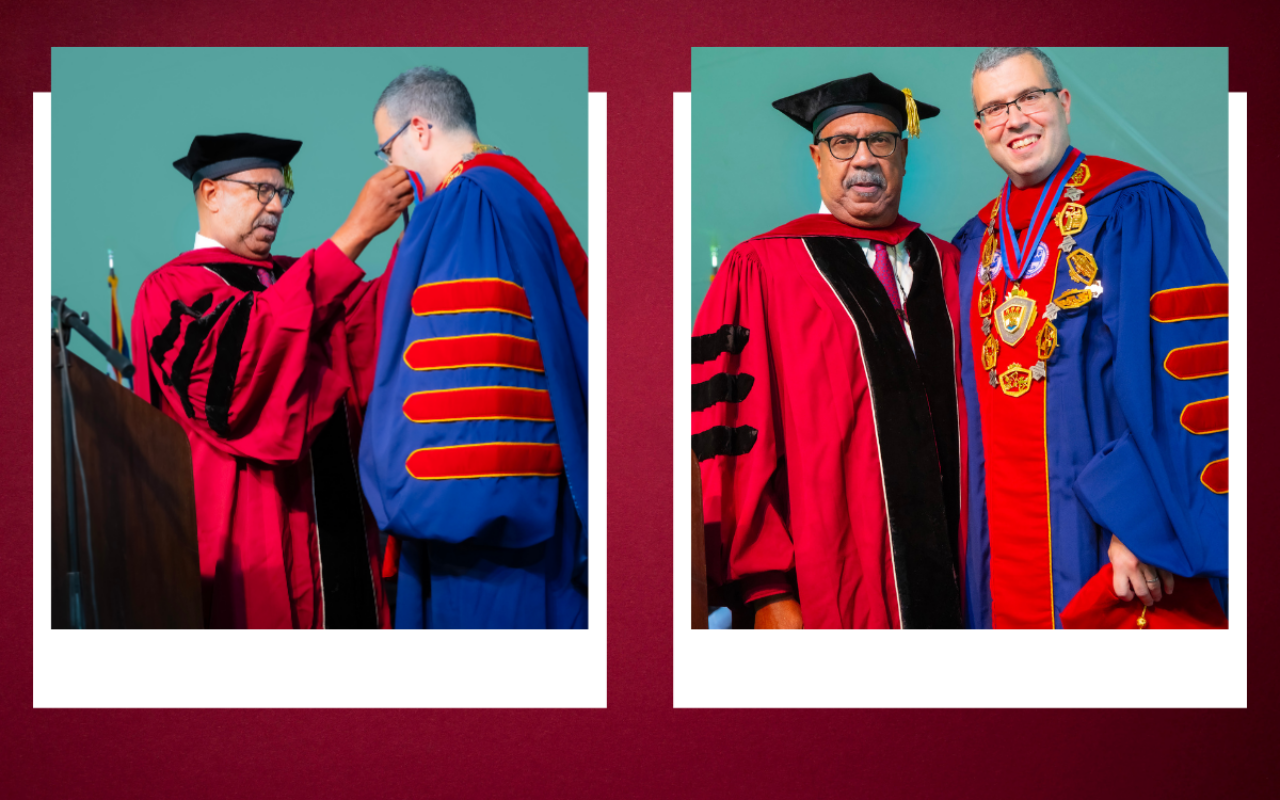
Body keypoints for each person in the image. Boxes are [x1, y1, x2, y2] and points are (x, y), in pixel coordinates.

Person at [952, 48, 1229, 629]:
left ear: (1063, 103)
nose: (1016, 118)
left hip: (1108, 535)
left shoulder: (1138, 207)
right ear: (980, 130)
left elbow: (1193, 383)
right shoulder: (974, 243)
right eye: (996, 108)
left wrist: (1144, 525)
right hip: (999, 544)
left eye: (1030, 97)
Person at [691, 74, 965, 629]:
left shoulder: (950, 266)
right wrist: (765, 591)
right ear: (817, 157)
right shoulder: (761, 270)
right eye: (844, 143)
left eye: (881, 141)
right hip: (826, 585)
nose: (862, 159)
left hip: (963, 581)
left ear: (904, 154)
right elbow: (731, 434)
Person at [132, 132, 413, 628]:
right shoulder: (171, 290)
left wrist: (423, 237)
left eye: (281, 193)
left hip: (340, 532)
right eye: (260, 190)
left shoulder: (299, 279)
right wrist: (353, 235)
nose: (276, 207)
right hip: (248, 542)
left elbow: (375, 330)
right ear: (211, 193)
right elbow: (239, 373)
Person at [357, 67, 589, 629]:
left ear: (420, 130)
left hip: (485, 529)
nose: (389, 166)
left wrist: (403, 497)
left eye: (386, 149)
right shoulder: (515, 188)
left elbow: (465, 375)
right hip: (542, 499)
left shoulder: (464, 205)